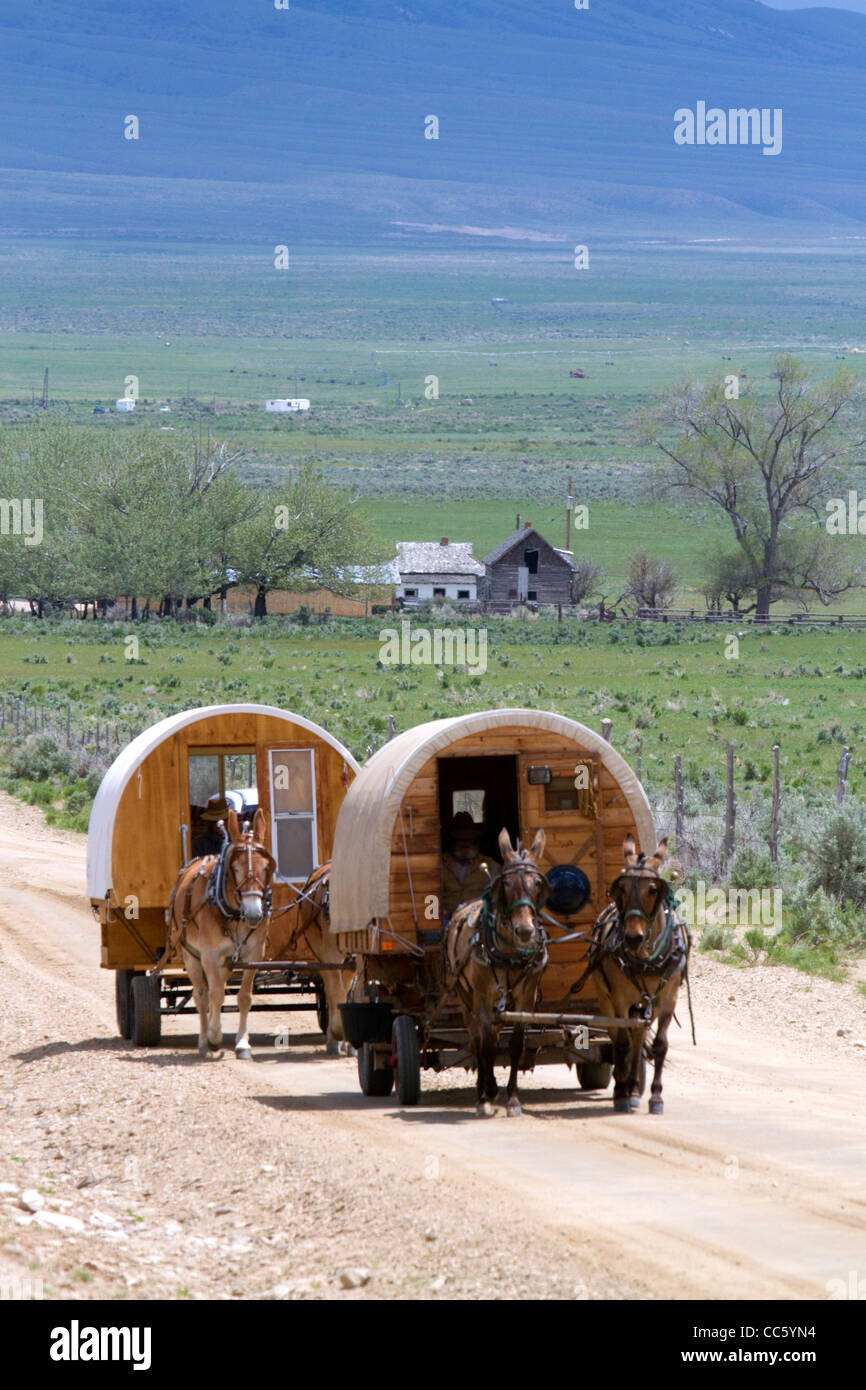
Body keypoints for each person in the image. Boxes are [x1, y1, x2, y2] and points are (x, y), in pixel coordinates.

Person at [441, 812, 500, 922]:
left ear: (475, 841)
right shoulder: (439, 866)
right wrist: (435, 918)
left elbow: (499, 896)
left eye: (469, 839)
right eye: (460, 839)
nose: (465, 843)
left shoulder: (490, 866)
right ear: (452, 841)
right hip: (445, 923)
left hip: (478, 923)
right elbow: (429, 896)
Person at [191, 794, 230, 859]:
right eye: (216, 821)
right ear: (210, 822)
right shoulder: (199, 844)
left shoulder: (233, 841)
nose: (221, 824)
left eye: (225, 820)